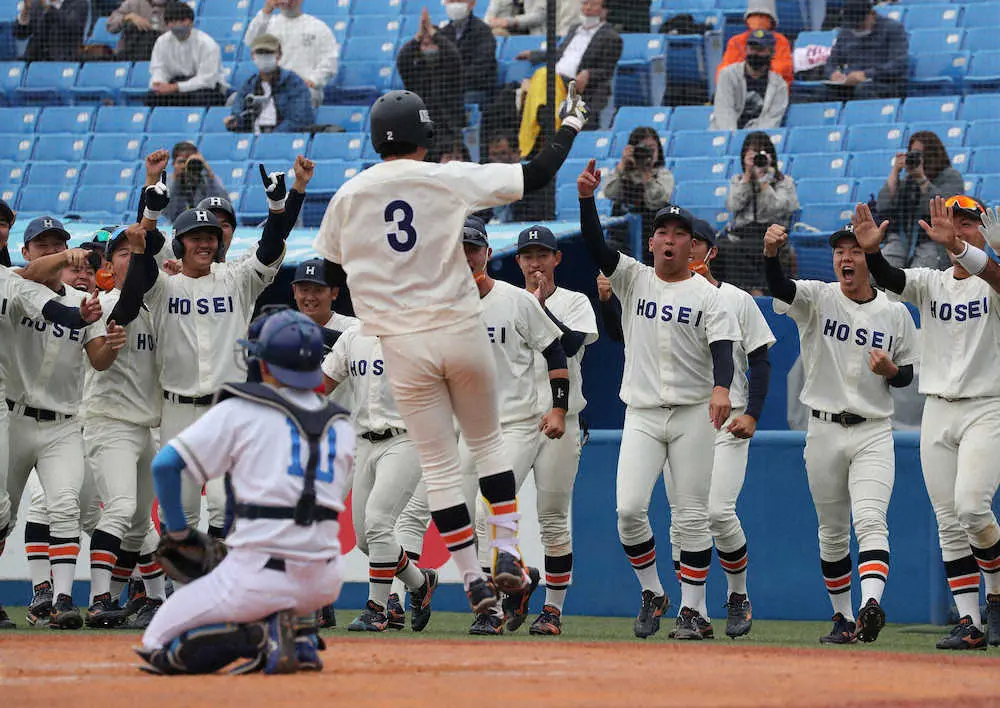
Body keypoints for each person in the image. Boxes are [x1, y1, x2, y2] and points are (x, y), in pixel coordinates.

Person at [312, 86, 590, 614]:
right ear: (424, 134)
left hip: (404, 338)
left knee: (441, 465)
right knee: (486, 446)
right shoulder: (445, 177)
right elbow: (536, 172)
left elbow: (324, 274)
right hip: (458, 326)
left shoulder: (349, 194)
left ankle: (468, 578)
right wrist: (571, 122)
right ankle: (505, 549)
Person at [136, 310, 353, 675]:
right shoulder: (341, 422)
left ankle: (259, 634)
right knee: (276, 559)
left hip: (259, 573)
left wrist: (177, 532)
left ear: (265, 364)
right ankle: (297, 635)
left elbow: (165, 466)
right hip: (325, 580)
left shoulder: (242, 409)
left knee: (155, 644)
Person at [576, 160, 740, 640]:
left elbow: (723, 349)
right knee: (628, 510)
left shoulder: (708, 295)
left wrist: (722, 387)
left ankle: (695, 611)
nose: (669, 239)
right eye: (662, 231)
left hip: (692, 413)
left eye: (679, 233)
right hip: (643, 413)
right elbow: (594, 245)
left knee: (691, 517)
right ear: (651, 243)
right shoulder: (632, 277)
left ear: (693, 246)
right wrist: (587, 200)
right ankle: (653, 590)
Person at [123, 158, 311, 539]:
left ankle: (221, 591)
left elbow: (271, 244)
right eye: (196, 237)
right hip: (177, 409)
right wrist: (150, 211)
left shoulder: (238, 280)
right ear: (179, 244)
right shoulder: (164, 285)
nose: (206, 242)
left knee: (226, 505)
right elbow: (143, 257)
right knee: (184, 508)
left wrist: (279, 205)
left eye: (211, 236)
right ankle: (183, 591)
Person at [765, 217, 917, 644]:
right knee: (831, 529)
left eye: (853, 250)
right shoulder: (819, 296)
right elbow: (779, 289)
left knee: (870, 519)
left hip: (872, 430)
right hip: (824, 429)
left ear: (869, 257)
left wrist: (892, 370)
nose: (845, 257)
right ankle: (842, 618)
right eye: (839, 251)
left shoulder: (895, 313)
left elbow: (907, 374)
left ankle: (870, 604)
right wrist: (770, 255)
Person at [857, 196, 1000, 650]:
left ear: (984, 231)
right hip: (937, 407)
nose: (957, 229)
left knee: (972, 507)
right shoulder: (931, 283)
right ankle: (970, 622)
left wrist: (966, 251)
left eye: (967, 222)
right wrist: (873, 253)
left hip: (987, 406)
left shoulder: (991, 281)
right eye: (951, 221)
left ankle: (996, 597)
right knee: (949, 522)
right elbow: (889, 278)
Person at [5, 217, 127, 629]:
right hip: (14, 417)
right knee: (1, 515)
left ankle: (60, 600)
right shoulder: (17, 285)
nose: (53, 251)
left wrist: (111, 345)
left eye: (59, 244)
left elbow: (98, 359)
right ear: (26, 252)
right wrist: (65, 264)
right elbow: (44, 293)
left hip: (61, 422)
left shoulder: (82, 299)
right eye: (43, 245)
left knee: (64, 506)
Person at [459, 219, 570, 636]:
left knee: (489, 506)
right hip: (469, 425)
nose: (466, 256)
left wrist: (557, 409)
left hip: (518, 423)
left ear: (488, 254)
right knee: (458, 517)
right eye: (458, 249)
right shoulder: (441, 304)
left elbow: (555, 349)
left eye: (473, 248)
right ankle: (518, 586)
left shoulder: (515, 300)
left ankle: (490, 609)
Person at [665, 218, 774, 639]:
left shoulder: (735, 299)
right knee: (681, 520)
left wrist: (753, 415)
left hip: (729, 418)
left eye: (695, 242)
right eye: (680, 240)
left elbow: (761, 359)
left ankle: (738, 594)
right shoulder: (662, 293)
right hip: (679, 417)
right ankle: (694, 613)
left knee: (717, 512)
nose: (687, 248)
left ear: (710, 250)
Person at [80, 220, 170, 630]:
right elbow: (98, 360)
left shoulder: (157, 306)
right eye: (121, 253)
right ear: (108, 266)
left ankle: (154, 601)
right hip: (109, 420)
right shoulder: (103, 303)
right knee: (120, 509)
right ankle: (99, 599)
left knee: (139, 524)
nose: (129, 259)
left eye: (133, 253)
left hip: (146, 425)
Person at [322, 325, 437, 634]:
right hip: (364, 441)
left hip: (405, 438)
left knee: (378, 522)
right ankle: (419, 582)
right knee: (365, 539)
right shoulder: (352, 335)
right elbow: (323, 383)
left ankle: (377, 610)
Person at [513, 223, 599, 635]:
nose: (535, 263)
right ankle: (513, 583)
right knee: (486, 510)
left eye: (542, 255)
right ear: (517, 261)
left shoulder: (574, 300)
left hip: (560, 418)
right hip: (513, 420)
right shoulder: (504, 301)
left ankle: (552, 610)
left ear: (557, 259)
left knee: (552, 517)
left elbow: (571, 343)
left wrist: (538, 307)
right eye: (528, 256)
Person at [717, 131, 798, 293]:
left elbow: (778, 208)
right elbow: (732, 206)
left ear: (771, 156)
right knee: (722, 246)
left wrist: (764, 182)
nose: (758, 159)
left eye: (762, 153)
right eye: (753, 155)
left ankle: (755, 290)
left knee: (746, 249)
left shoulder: (784, 182)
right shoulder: (738, 180)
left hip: (772, 234)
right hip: (742, 235)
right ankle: (753, 289)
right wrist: (748, 178)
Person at [516, 0, 623, 119]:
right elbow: (559, 53)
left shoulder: (612, 37)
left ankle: (532, 90)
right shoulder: (574, 29)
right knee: (509, 92)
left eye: (593, 5)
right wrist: (532, 54)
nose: (588, 8)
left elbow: (607, 70)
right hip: (552, 77)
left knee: (540, 84)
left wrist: (588, 73)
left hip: (573, 83)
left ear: (604, 10)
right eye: (585, 3)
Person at [876, 131, 965, 269]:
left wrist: (922, 180)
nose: (916, 158)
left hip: (934, 241)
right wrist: (895, 172)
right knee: (881, 270)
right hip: (904, 238)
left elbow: (944, 206)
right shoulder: (908, 179)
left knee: (920, 276)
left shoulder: (951, 176)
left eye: (919, 154)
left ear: (932, 154)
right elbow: (884, 204)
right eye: (912, 154)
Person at [244, 0, 339, 108]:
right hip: (271, 87)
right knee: (237, 100)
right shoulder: (269, 23)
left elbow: (330, 62)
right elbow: (250, 41)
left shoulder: (318, 27)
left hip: (304, 88)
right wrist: (266, 11)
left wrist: (313, 80)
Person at [397, 9, 467, 150]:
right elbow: (402, 60)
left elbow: (453, 56)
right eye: (424, 44)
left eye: (432, 43)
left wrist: (433, 33)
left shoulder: (451, 71)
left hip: (449, 130)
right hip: (421, 130)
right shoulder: (415, 73)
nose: (428, 47)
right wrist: (418, 37)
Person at [604, 126, 674, 258]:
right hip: (623, 238)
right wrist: (622, 165)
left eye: (652, 148)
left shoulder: (663, 175)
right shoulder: (623, 174)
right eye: (643, 148)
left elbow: (655, 201)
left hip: (653, 239)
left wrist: (645, 174)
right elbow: (609, 193)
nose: (648, 153)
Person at [225, 34, 315, 135]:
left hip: (283, 140)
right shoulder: (248, 85)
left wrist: (270, 138)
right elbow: (239, 115)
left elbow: (300, 120)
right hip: (253, 140)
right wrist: (235, 123)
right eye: (260, 53)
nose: (264, 56)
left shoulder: (294, 83)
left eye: (269, 52)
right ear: (253, 56)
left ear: (279, 55)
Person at [146, 1, 227, 107]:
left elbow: (206, 80)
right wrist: (159, 83)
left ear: (190, 22)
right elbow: (159, 69)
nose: (176, 25)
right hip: (175, 84)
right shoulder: (162, 41)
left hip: (204, 87)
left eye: (181, 21)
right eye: (172, 22)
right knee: (152, 97)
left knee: (204, 98)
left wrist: (176, 87)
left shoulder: (207, 44)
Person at [824, 0, 908, 101]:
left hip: (884, 83)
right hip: (851, 83)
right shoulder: (846, 31)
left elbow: (898, 64)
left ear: (871, 14)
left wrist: (866, 74)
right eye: (854, 26)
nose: (857, 30)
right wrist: (833, 73)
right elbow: (832, 61)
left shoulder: (893, 28)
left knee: (863, 89)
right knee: (825, 92)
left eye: (861, 25)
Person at [711, 29, 789, 131]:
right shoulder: (727, 75)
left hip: (757, 141)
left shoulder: (780, 85)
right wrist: (733, 140)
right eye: (752, 48)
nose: (755, 53)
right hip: (725, 137)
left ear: (772, 52)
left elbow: (771, 121)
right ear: (746, 49)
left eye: (760, 49)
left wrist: (749, 143)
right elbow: (724, 112)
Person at [717, 0, 793, 87]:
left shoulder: (780, 41)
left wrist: (755, 72)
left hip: (771, 91)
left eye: (763, 16)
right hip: (739, 91)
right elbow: (723, 71)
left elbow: (784, 69)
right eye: (754, 16)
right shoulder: (736, 41)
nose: (758, 21)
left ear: (771, 20)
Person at [439, 1, 498, 106]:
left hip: (474, 89)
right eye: (451, 1)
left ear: (472, 3)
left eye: (460, 0)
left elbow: (481, 68)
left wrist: (453, 82)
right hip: (448, 89)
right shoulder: (443, 33)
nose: (455, 4)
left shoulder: (483, 32)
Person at [163, 142, 229, 223]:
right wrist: (176, 181)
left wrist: (209, 172)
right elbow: (169, 214)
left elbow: (225, 204)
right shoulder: (168, 181)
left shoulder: (208, 179)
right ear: (173, 163)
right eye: (182, 162)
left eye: (189, 162)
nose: (185, 166)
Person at [14, 0, 89, 62]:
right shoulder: (37, 4)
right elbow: (20, 34)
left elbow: (72, 27)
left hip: (63, 59)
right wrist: (26, 10)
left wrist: (49, 8)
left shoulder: (79, 3)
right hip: (34, 58)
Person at [485, 0, 580, 36]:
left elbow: (539, 16)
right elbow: (489, 16)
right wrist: (492, 22)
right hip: (509, 34)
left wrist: (510, 21)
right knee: (495, 33)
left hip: (536, 34)